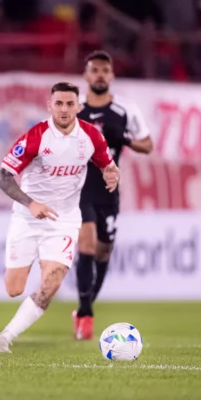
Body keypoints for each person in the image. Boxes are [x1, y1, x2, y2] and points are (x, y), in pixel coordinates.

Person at [0, 83, 118, 353]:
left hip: (65, 219)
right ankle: (24, 272)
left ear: (78, 107)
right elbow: (3, 176)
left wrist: (111, 173)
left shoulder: (91, 136)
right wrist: (31, 203)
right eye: (59, 103)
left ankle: (4, 339)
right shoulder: (36, 137)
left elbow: (107, 163)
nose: (64, 109)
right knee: (14, 288)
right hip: (28, 217)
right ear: (50, 106)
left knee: (51, 284)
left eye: (70, 104)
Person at [73, 51, 153, 339]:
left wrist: (125, 140)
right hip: (79, 185)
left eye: (105, 70)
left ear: (112, 76)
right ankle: (85, 315)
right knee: (87, 239)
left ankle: (85, 303)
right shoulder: (74, 108)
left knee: (104, 249)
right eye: (94, 70)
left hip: (108, 186)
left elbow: (148, 145)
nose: (100, 75)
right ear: (85, 75)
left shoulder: (124, 110)